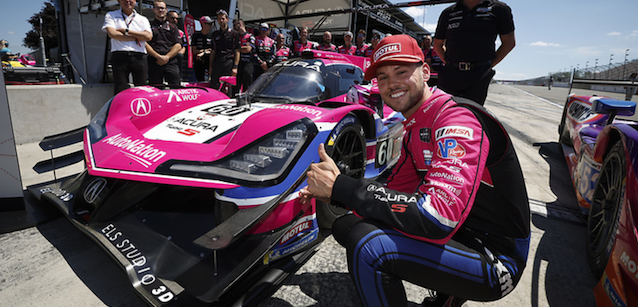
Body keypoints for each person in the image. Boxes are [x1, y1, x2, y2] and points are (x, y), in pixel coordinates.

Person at [299, 35, 530, 307]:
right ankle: (449, 297)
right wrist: (334, 193)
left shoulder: (457, 119)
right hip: (463, 234)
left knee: (369, 246)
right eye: (382, 77)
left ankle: (451, 293)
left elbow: (437, 217)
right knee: (347, 225)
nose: (391, 84)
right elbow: (393, 193)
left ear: (426, 72)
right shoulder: (416, 126)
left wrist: (343, 188)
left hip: (498, 258)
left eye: (401, 72)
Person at [433, 0, 516, 105]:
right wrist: (449, 62)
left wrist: (488, 65)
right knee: (443, 112)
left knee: (472, 114)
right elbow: (437, 44)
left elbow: (509, 42)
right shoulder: (448, 12)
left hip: (479, 76)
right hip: (450, 74)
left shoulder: (499, 9)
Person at [102, 0, 153, 94]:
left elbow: (148, 36)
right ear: (119, 1)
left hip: (139, 56)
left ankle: (141, 108)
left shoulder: (143, 19)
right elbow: (112, 34)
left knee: (141, 87)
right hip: (120, 54)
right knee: (120, 87)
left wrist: (126, 31)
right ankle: (121, 108)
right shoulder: (111, 15)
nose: (128, 1)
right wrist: (137, 38)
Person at [145, 0, 181, 87]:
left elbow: (178, 45)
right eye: (158, 8)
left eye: (162, 8)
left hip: (170, 61)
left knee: (176, 88)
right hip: (154, 61)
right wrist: (158, 57)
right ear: (153, 10)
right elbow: (145, 43)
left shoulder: (173, 27)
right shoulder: (148, 26)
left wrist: (166, 57)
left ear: (166, 10)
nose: (160, 10)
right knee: (155, 89)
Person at [209, 9, 240, 91]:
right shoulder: (215, 34)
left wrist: (235, 67)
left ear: (227, 19)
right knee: (214, 86)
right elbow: (213, 51)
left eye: (223, 18)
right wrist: (210, 66)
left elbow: (237, 51)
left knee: (226, 88)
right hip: (217, 62)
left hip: (228, 62)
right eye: (219, 19)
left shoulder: (234, 34)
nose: (221, 20)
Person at [233, 18, 255, 93]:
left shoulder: (250, 36)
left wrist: (238, 49)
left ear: (240, 25)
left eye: (234, 25)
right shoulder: (236, 37)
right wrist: (241, 48)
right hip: (237, 64)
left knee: (247, 86)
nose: (233, 27)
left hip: (248, 63)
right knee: (235, 87)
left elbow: (248, 49)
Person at [191, 16, 214, 82]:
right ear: (203, 24)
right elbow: (193, 50)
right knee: (200, 80)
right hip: (199, 61)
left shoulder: (213, 35)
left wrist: (203, 52)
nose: (210, 26)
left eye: (211, 24)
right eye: (209, 24)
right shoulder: (196, 35)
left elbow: (213, 50)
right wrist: (204, 51)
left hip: (210, 61)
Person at [167, 10, 187, 80]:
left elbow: (184, 46)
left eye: (177, 18)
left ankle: (179, 78)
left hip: (176, 53)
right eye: (173, 18)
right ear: (167, 18)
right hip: (164, 52)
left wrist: (179, 52)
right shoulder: (163, 29)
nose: (175, 20)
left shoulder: (181, 32)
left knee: (180, 56)